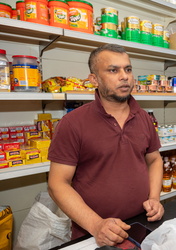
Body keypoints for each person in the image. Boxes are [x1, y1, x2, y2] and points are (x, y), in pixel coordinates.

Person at [47, 43, 164, 247]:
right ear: (94, 79)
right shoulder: (73, 123)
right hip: (92, 232)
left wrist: (154, 197)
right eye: (113, 70)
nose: (124, 76)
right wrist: (96, 224)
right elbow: (57, 184)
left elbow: (154, 160)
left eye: (128, 69)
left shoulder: (144, 118)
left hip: (140, 224)